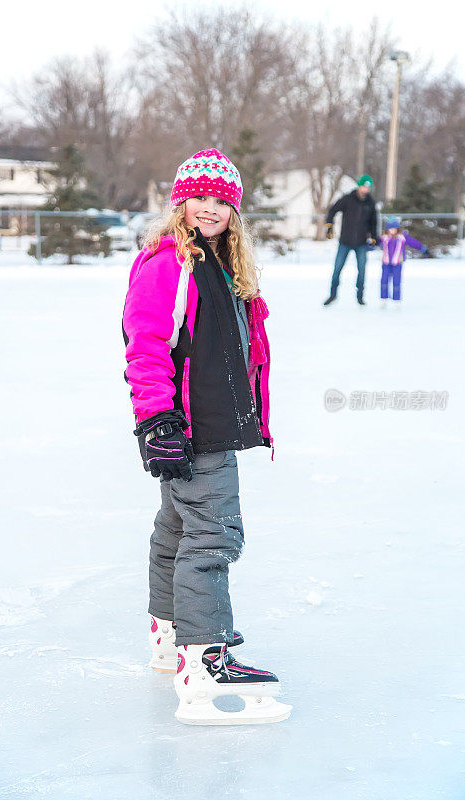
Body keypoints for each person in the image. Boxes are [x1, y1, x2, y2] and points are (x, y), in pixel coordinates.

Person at [121, 148, 292, 726]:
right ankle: (205, 657)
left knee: (177, 529)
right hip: (192, 427)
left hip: (205, 421)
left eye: (222, 200)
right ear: (180, 200)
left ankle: (169, 637)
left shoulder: (217, 265)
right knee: (213, 535)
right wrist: (157, 420)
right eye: (200, 197)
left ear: (233, 210)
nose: (210, 208)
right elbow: (145, 347)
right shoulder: (171, 262)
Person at [323, 174, 378, 306]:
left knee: (362, 271)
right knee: (337, 269)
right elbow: (333, 210)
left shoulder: (370, 203)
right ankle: (333, 295)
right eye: (364, 186)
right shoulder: (348, 199)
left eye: (368, 187)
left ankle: (360, 297)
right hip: (345, 241)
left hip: (361, 243)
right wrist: (329, 226)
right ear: (359, 186)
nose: (365, 189)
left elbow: (373, 222)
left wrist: (374, 237)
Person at [378, 216, 430, 307]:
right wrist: (369, 244)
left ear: (397, 229)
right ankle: (384, 298)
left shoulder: (402, 237)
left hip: (397, 263)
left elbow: (414, 242)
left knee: (396, 281)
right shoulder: (384, 237)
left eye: (394, 228)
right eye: (390, 229)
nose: (392, 231)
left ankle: (397, 300)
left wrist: (423, 249)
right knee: (384, 280)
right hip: (386, 263)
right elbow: (375, 243)